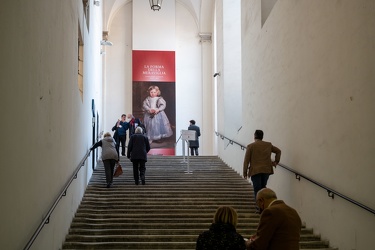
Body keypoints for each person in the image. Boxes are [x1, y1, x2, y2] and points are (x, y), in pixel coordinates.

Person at [243, 130, 281, 212]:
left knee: (257, 189)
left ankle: (258, 207)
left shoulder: (251, 146)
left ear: (254, 136)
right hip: (266, 170)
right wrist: (276, 162)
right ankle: (264, 206)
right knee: (263, 187)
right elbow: (278, 151)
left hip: (255, 171)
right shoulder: (268, 145)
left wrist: (245, 172)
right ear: (262, 136)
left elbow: (246, 161)